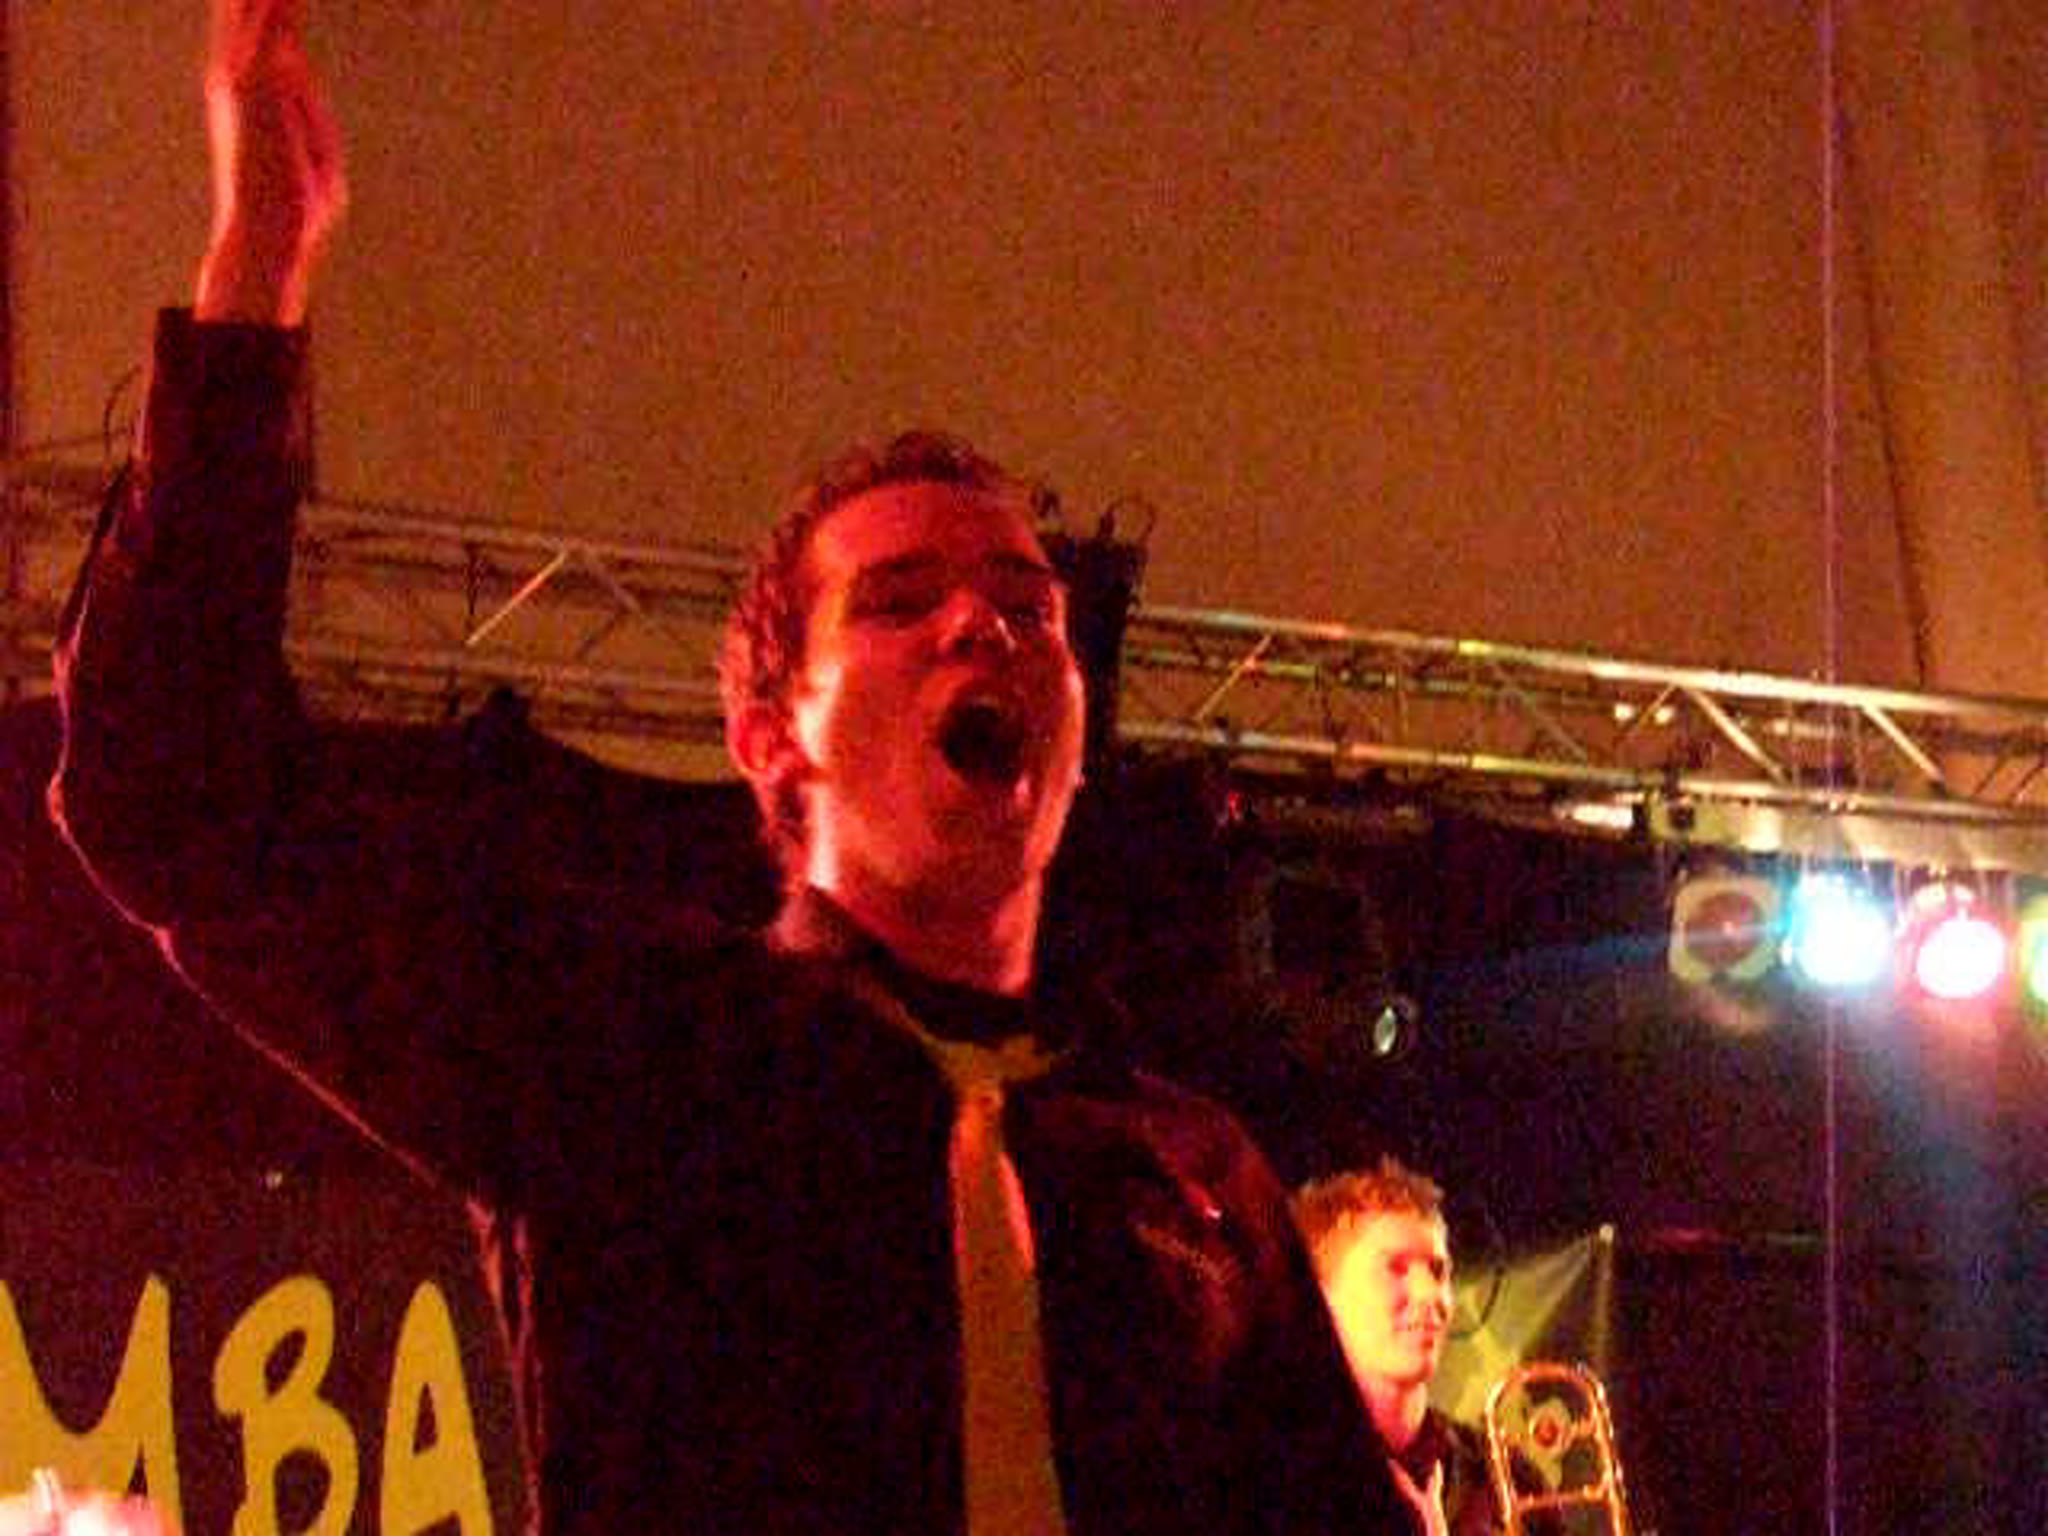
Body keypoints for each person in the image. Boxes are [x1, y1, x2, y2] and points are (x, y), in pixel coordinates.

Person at [48, 3, 1412, 1534]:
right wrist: (254, 279)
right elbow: (175, 797)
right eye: (899, 603)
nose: (984, 623)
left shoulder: (1197, 1174)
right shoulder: (642, 1050)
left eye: (1030, 609)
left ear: (1079, 746)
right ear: (772, 740)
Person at [1293, 1159, 1513, 1536]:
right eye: (1395, 1268)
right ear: (1320, 1297)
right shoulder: (1274, 1478)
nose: (1430, 1294)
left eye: (1438, 1271)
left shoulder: (1505, 1477)